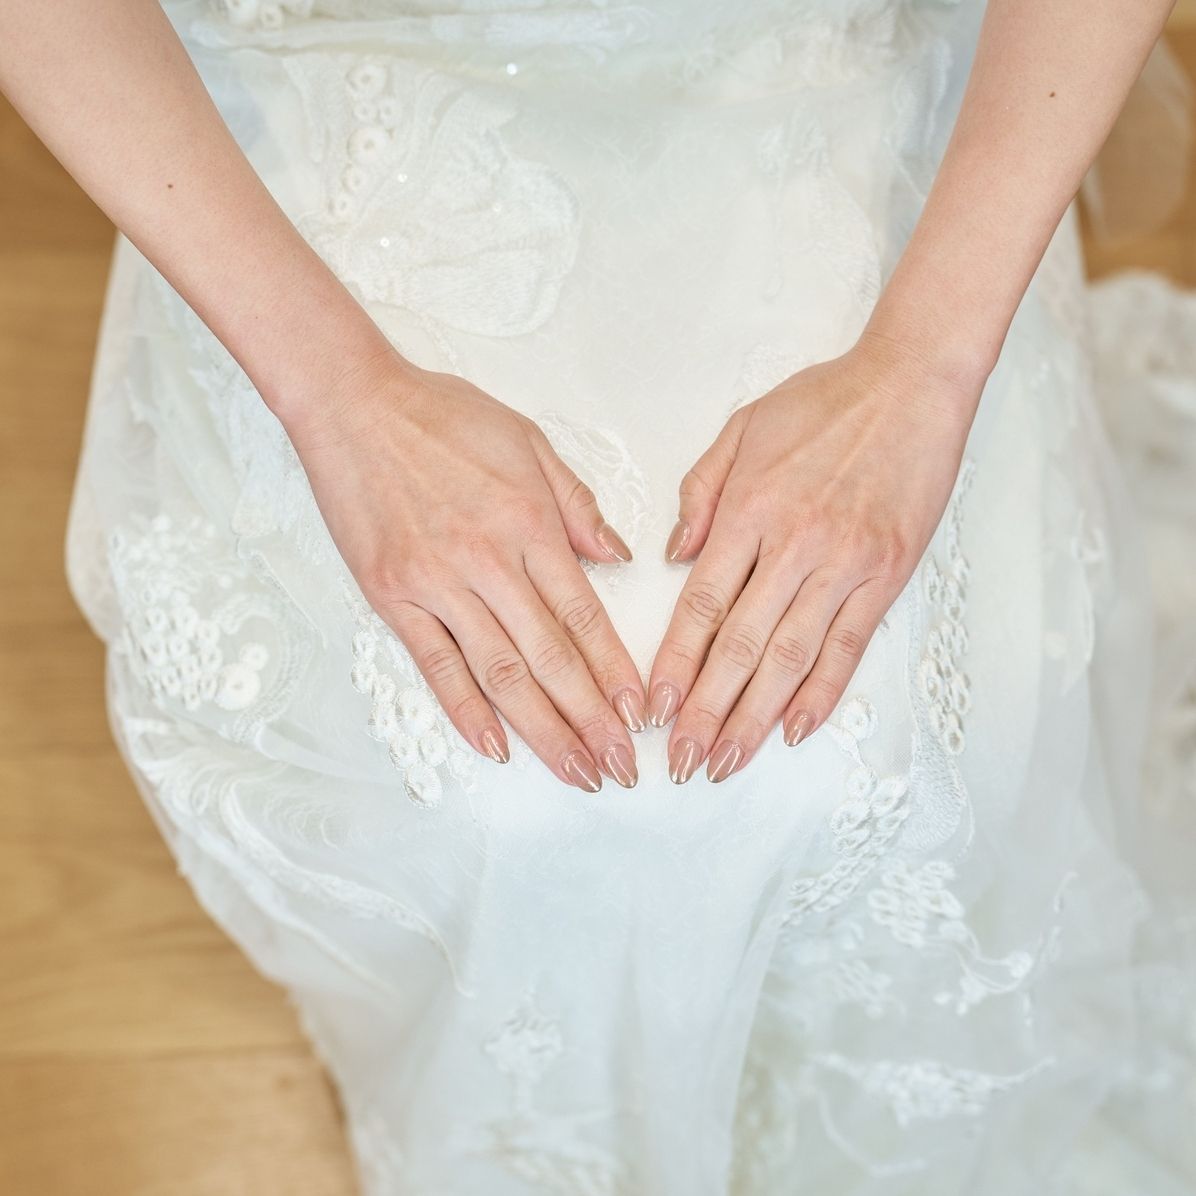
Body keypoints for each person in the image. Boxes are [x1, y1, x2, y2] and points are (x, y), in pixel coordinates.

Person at [3, 0, 1194, 1190]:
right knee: (490, 769)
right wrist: (333, 391)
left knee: (860, 732)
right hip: (342, 51)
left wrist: (926, 362)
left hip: (783, 48)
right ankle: (518, 1129)